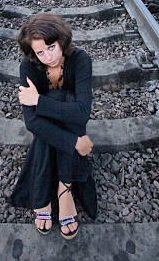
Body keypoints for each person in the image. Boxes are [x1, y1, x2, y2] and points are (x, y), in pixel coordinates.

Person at [9, 13, 97, 240]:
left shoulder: (80, 60)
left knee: (63, 98)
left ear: (62, 41)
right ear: (33, 53)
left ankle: (59, 190)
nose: (47, 56)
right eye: (40, 52)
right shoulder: (28, 68)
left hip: (72, 123)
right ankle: (63, 189)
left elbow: (82, 113)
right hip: (68, 132)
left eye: (51, 47)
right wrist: (75, 142)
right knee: (53, 112)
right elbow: (32, 122)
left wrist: (39, 101)